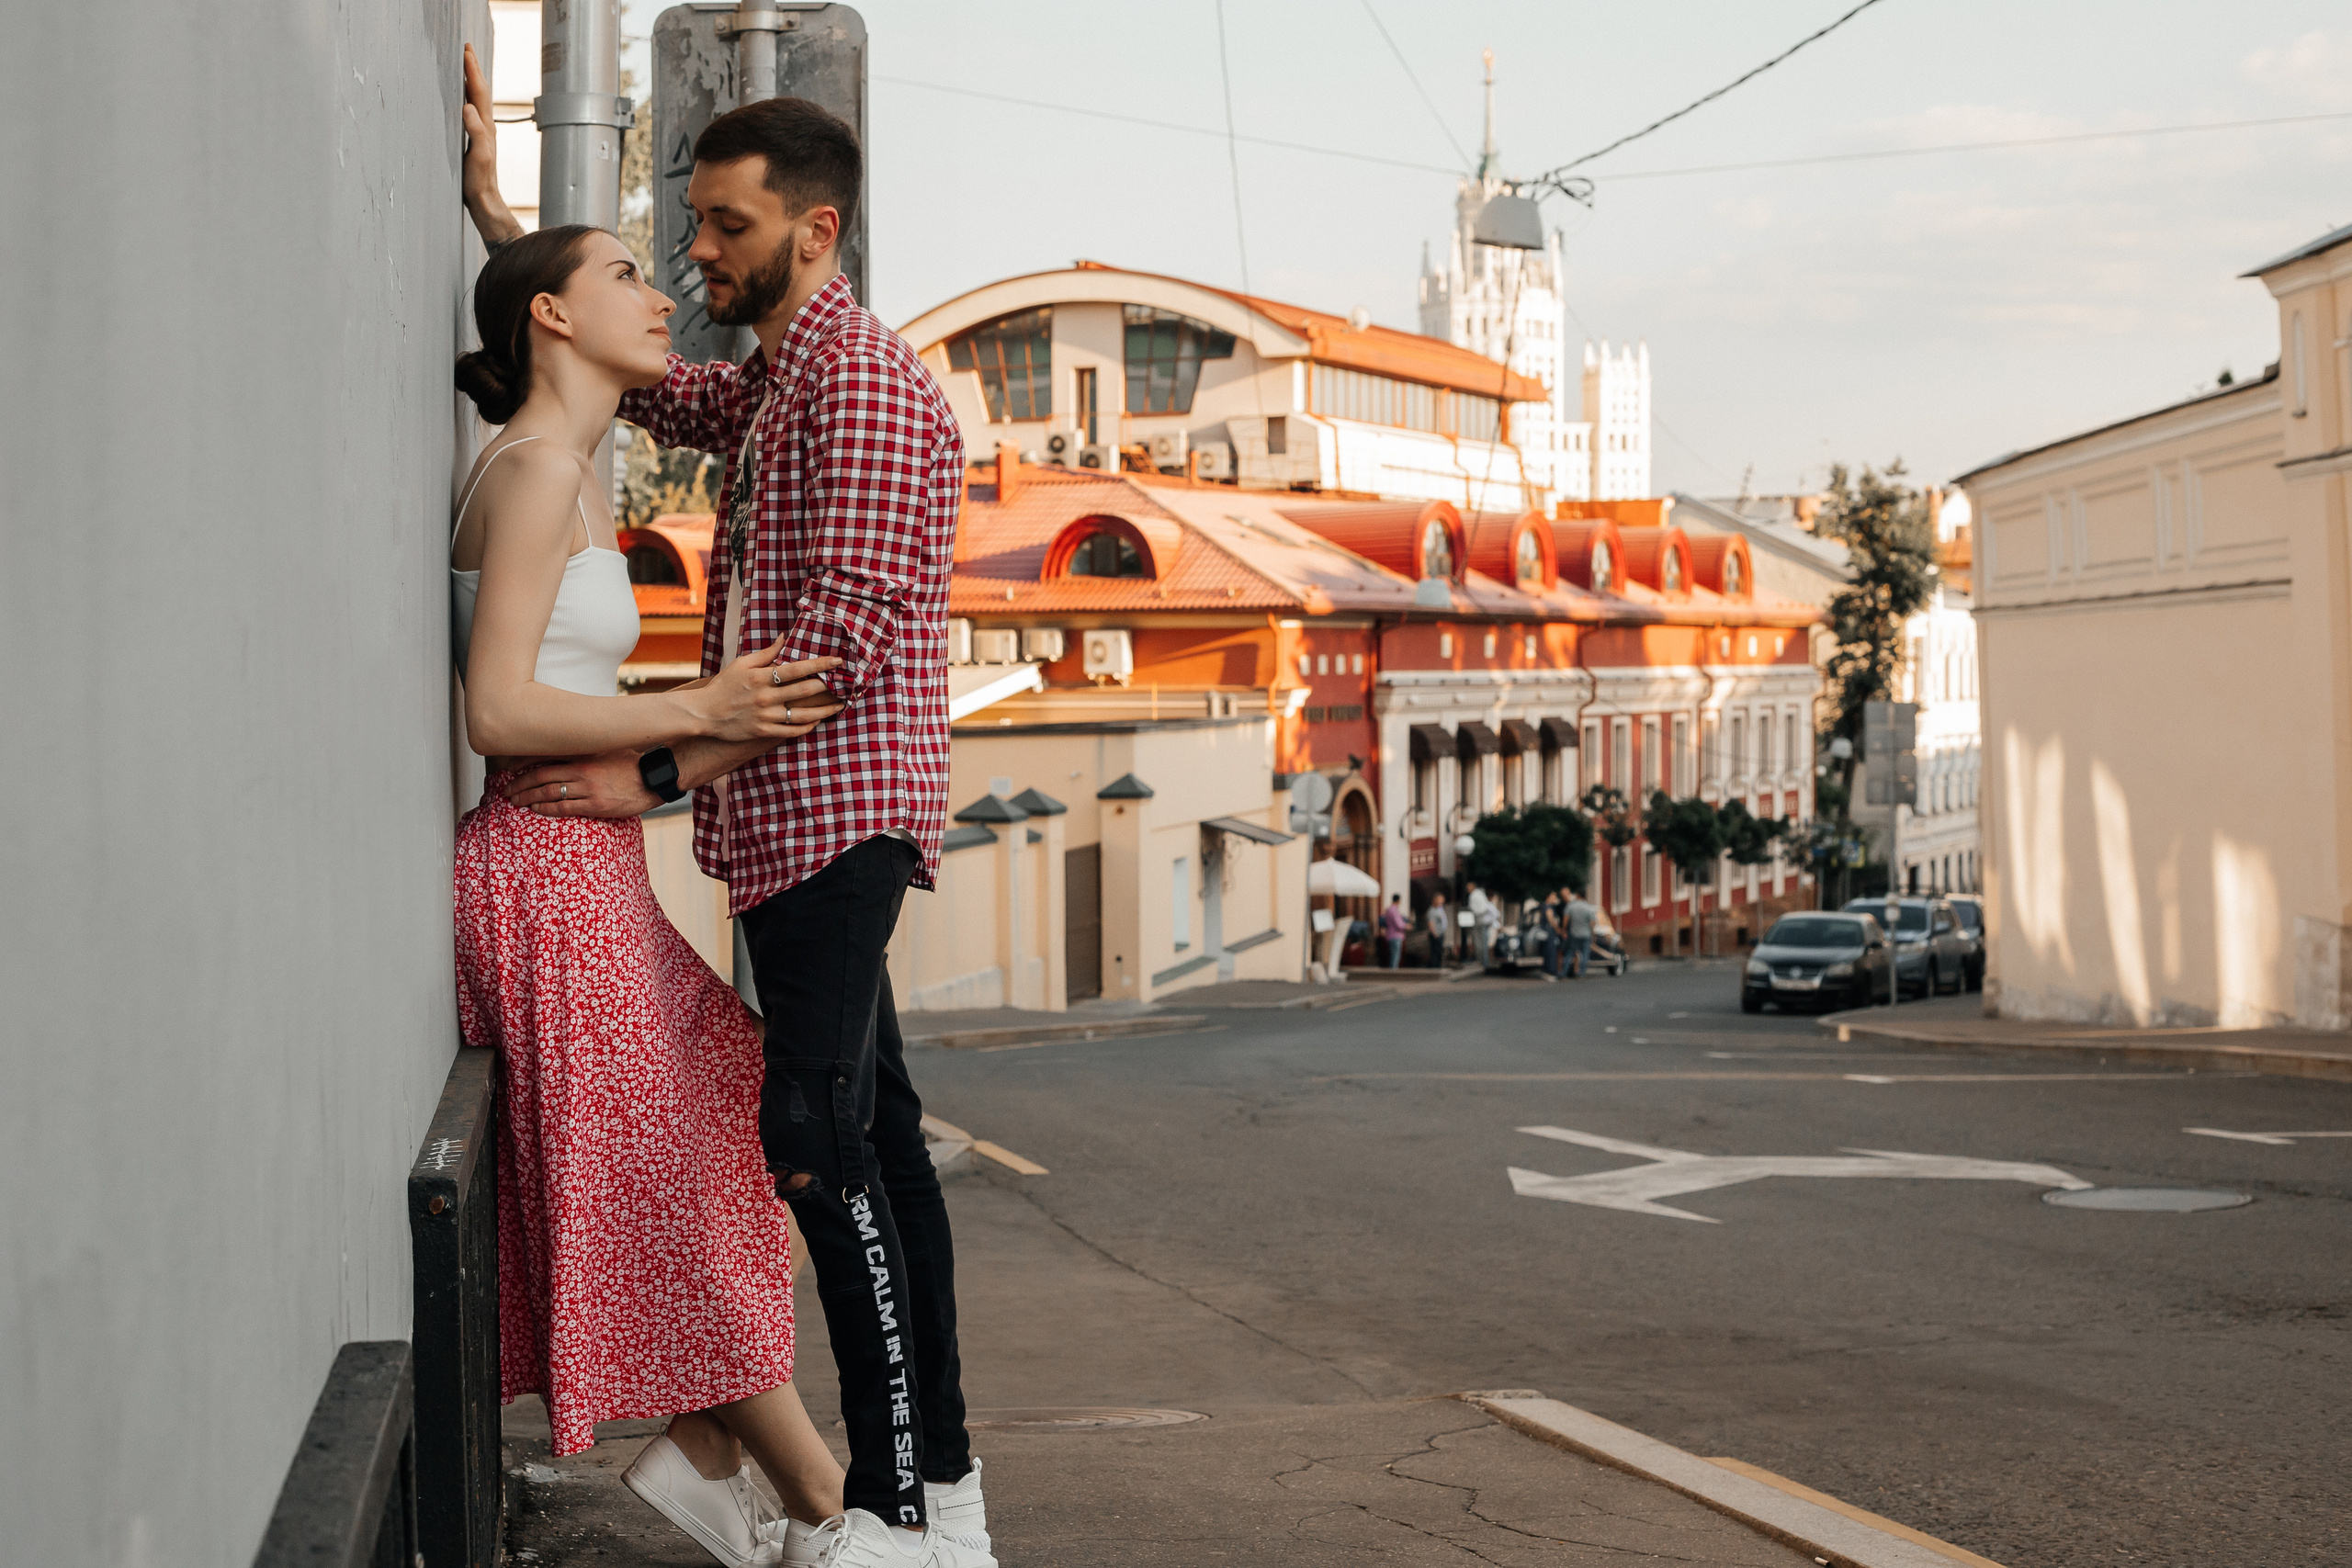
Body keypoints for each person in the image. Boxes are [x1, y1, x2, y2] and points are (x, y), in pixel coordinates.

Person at [462, 56, 989, 1568]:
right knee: (863, 1135)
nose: (697, 252)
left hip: (834, 819)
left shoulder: (872, 389)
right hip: (777, 829)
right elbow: (642, 380)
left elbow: (834, 646)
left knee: (819, 1145)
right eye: (683, 227)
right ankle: (896, 1487)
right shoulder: (779, 382)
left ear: (813, 231)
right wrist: (502, 223)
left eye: (722, 225)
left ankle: (904, 1507)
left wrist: (647, 768)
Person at [1565, 887, 1600, 977]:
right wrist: (1593, 933)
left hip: (1574, 933)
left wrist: (1564, 930)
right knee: (1585, 954)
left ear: (1577, 896)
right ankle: (1581, 972)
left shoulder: (1571, 906)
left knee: (1570, 952)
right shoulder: (1589, 908)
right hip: (1586, 934)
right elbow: (1592, 923)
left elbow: (1566, 920)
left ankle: (1564, 971)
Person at [1465, 881, 1498, 969]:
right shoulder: (1480, 894)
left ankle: (1483, 963)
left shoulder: (1474, 895)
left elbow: (1478, 909)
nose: (1467, 889)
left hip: (1479, 921)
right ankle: (1483, 962)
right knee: (1482, 943)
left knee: (1480, 944)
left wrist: (1476, 913)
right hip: (1482, 921)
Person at [1378, 894, 1408, 969]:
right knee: (1395, 957)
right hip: (1396, 936)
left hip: (1390, 935)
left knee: (1393, 956)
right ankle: (1393, 974)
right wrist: (1406, 926)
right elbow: (1399, 924)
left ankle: (1392, 973)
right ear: (1398, 901)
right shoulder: (1394, 910)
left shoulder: (1388, 910)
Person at [1424, 891, 1452, 967]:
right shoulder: (1431, 911)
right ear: (1434, 900)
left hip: (1441, 933)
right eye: (1439, 900)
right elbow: (1431, 923)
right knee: (1435, 952)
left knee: (1439, 952)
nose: (1441, 902)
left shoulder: (1440, 909)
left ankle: (1438, 966)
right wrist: (1434, 933)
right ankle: (1434, 967)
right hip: (1436, 934)